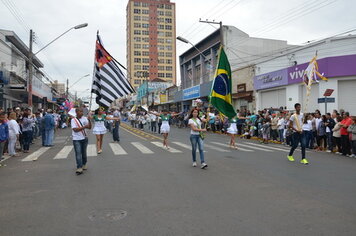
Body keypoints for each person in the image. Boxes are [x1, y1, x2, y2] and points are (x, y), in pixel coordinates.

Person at [71, 107, 92, 175]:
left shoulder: (85, 118)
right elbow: (75, 129)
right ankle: (79, 167)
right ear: (76, 112)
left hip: (84, 138)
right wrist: (84, 127)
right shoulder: (73, 120)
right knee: (78, 153)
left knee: (84, 153)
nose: (82, 113)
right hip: (76, 139)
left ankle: (84, 163)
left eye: (82, 111)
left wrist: (89, 120)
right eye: (80, 111)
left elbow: (89, 127)